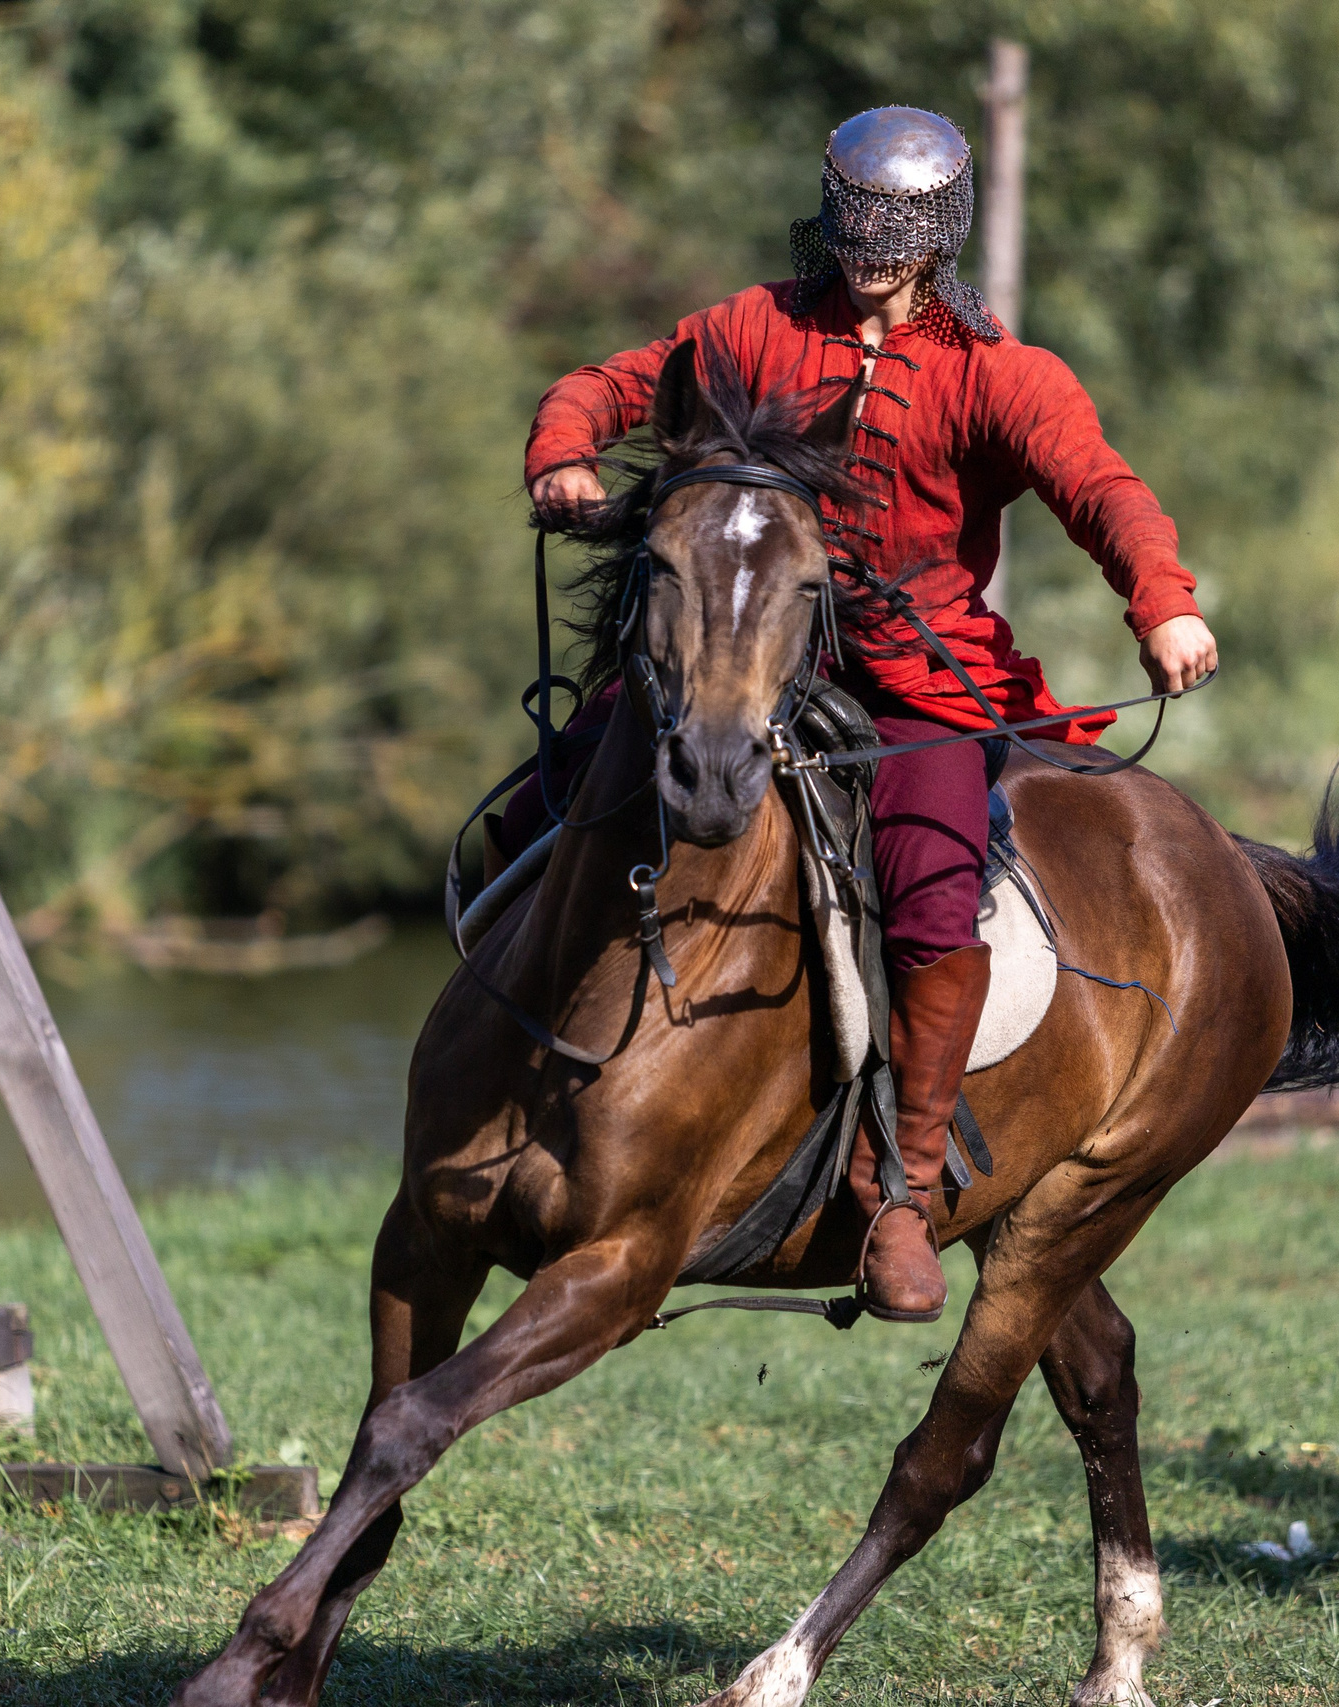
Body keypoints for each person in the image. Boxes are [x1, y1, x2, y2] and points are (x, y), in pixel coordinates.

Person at [521, 107, 1217, 1323]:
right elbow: (610, 383)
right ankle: (503, 1075)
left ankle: (896, 1183)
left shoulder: (1000, 372)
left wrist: (1161, 602)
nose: (870, 249)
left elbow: (1100, 489)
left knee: (933, 889)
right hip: (742, 657)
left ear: (941, 231)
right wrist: (564, 450)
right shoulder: (754, 326)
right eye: (855, 221)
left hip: (915, 683)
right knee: (551, 794)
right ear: (828, 211)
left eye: (898, 227)